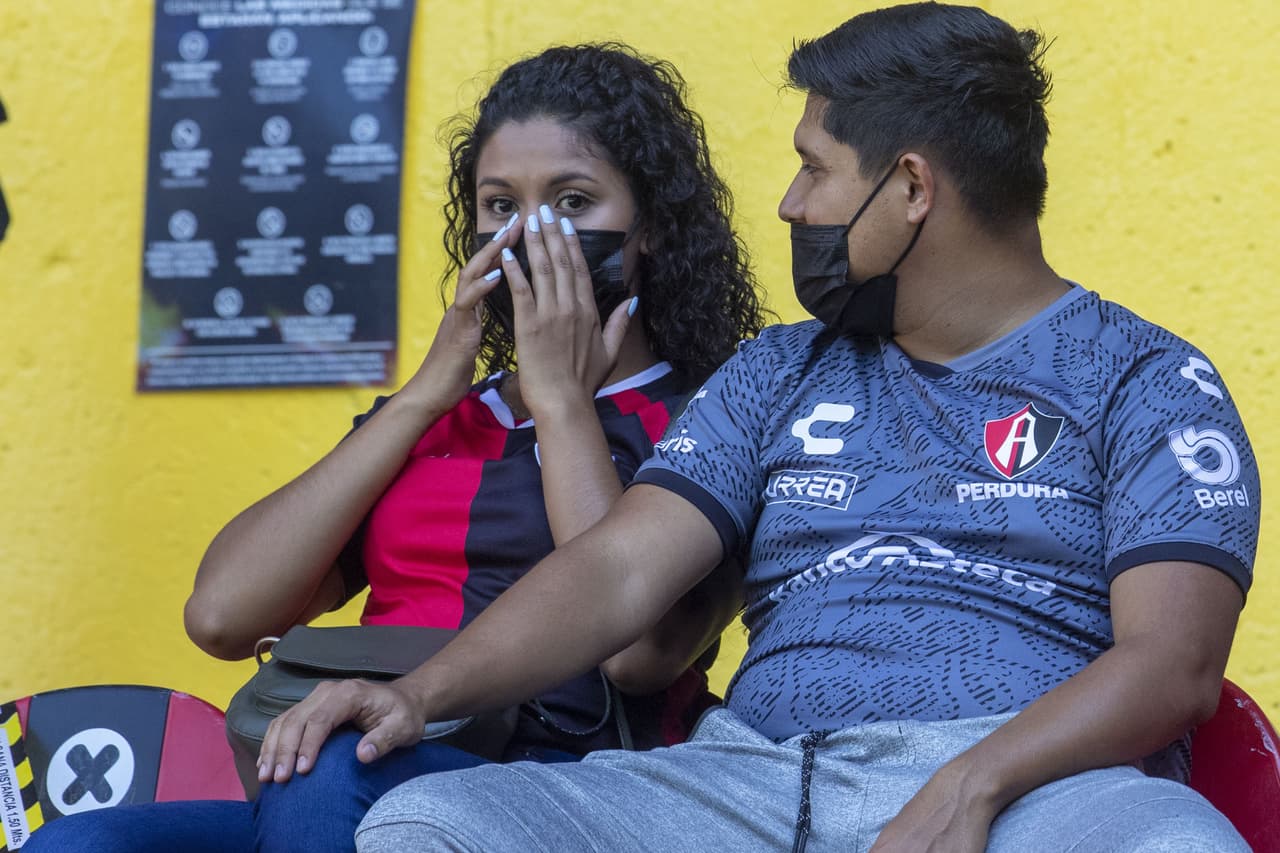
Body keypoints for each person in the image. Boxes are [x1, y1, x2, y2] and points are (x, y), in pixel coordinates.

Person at [254, 5, 1259, 852]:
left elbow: (1169, 668)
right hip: (748, 780)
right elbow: (616, 571)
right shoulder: (777, 369)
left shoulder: (1143, 378)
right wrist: (419, 695)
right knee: (429, 821)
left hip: (1038, 787)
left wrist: (973, 781)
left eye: (813, 171)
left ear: (910, 188)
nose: (787, 205)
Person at [25, 43, 767, 853]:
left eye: (574, 201)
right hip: (350, 773)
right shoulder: (441, 417)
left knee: (333, 767)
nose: (531, 234)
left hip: (563, 787)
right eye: (499, 205)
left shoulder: (715, 414)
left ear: (650, 227)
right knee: (82, 841)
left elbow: (637, 653)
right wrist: (421, 396)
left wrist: (559, 403)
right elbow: (222, 615)